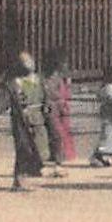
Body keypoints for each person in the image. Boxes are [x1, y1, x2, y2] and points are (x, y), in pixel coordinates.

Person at [0, 51, 45, 192]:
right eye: (26, 62)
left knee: (38, 147)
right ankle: (19, 178)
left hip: (38, 120)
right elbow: (3, 100)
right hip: (21, 121)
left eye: (30, 61)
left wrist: (47, 110)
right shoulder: (13, 84)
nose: (30, 64)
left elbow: (44, 97)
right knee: (23, 148)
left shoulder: (37, 80)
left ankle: (30, 172)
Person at [38, 47, 75, 177]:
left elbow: (66, 94)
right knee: (56, 135)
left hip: (61, 109)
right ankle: (57, 163)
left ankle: (57, 159)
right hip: (50, 108)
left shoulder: (61, 77)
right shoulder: (44, 78)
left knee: (61, 135)